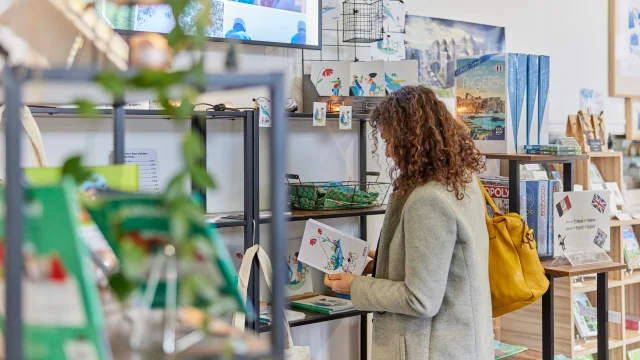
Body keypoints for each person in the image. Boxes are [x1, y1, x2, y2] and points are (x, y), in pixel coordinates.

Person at [324, 86, 493, 360]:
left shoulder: (428, 200)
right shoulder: (461, 181)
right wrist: (385, 262)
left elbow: (420, 299)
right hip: (462, 343)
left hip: (430, 349)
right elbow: (446, 264)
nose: (388, 153)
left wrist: (354, 286)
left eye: (390, 141)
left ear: (411, 140)